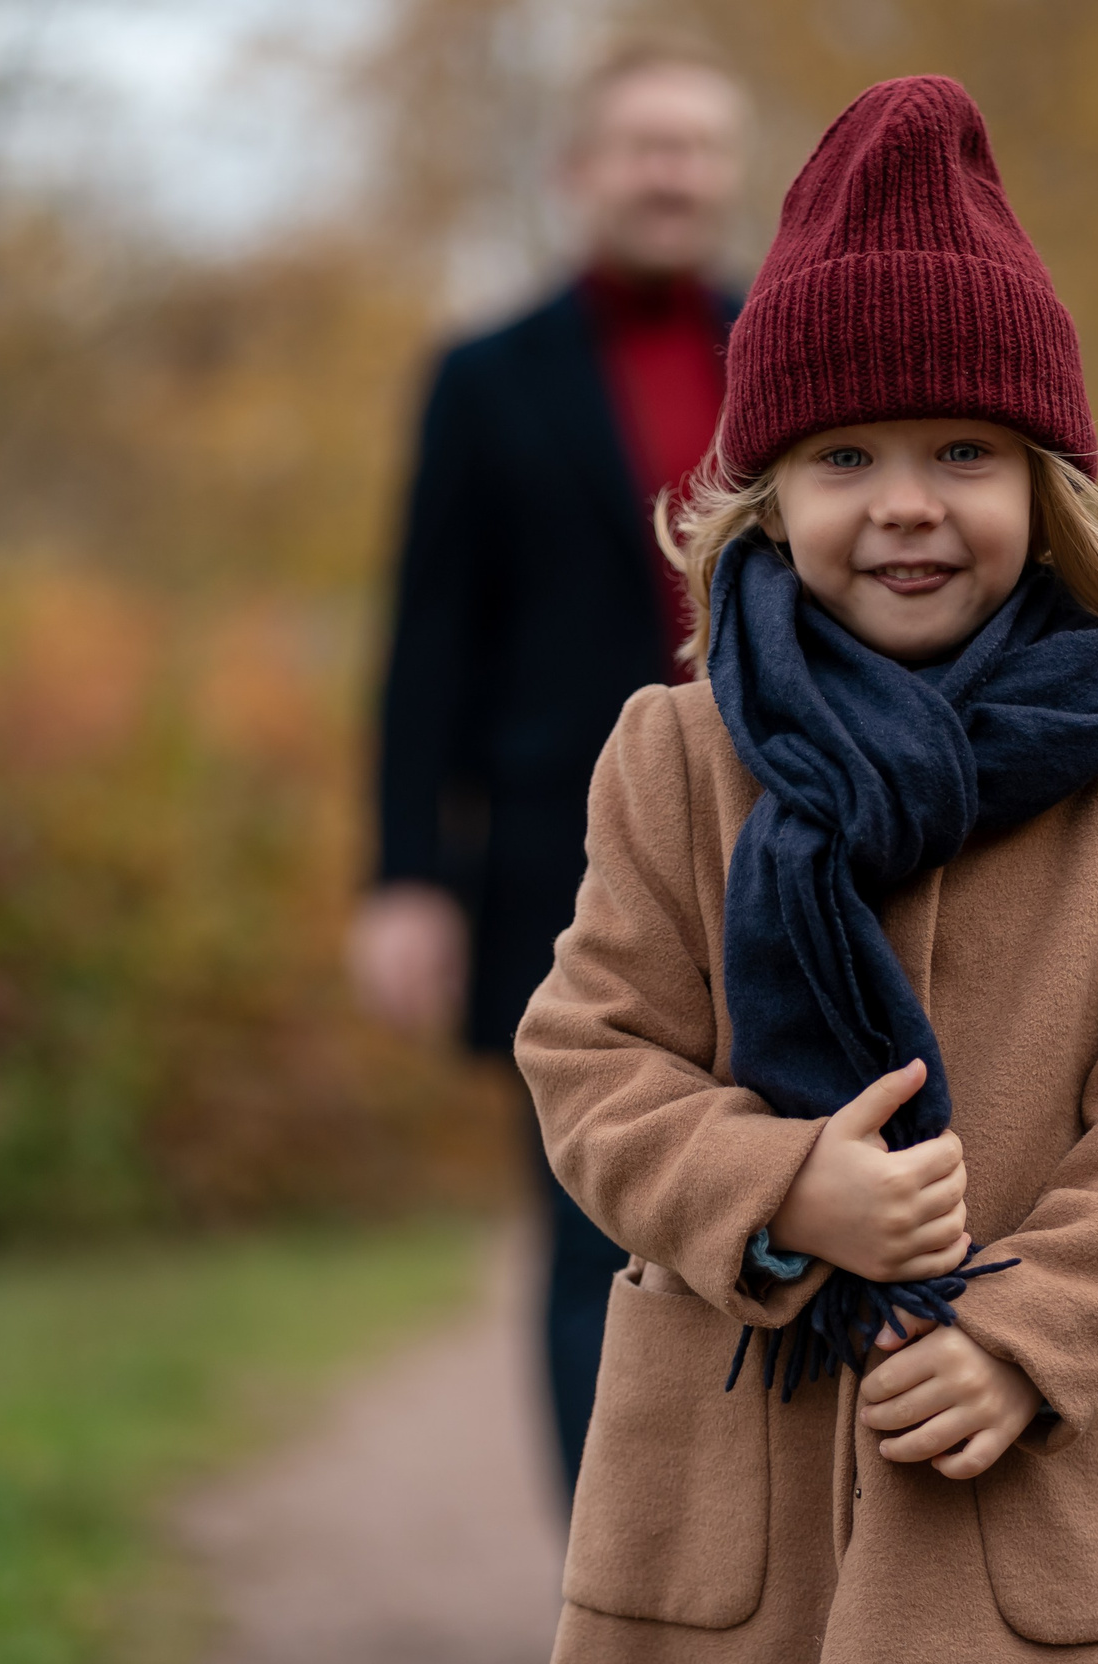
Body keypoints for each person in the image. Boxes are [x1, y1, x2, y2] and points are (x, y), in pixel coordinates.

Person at [514, 76, 1098, 1664]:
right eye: (845, 454)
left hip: (1031, 1520)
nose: (908, 503)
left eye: (964, 451)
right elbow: (590, 1058)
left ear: (1046, 488)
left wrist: (1029, 1329)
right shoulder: (676, 756)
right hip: (728, 1546)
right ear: (768, 498)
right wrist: (782, 1188)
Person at [348, 42, 748, 1501]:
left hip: (790, 852)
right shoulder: (483, 380)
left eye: (697, 147)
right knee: (598, 1236)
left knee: (777, 1218)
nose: (672, 173)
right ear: (576, 173)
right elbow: (424, 643)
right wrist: (405, 876)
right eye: (644, 145)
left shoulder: (792, 351)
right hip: (557, 868)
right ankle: (619, 1605)